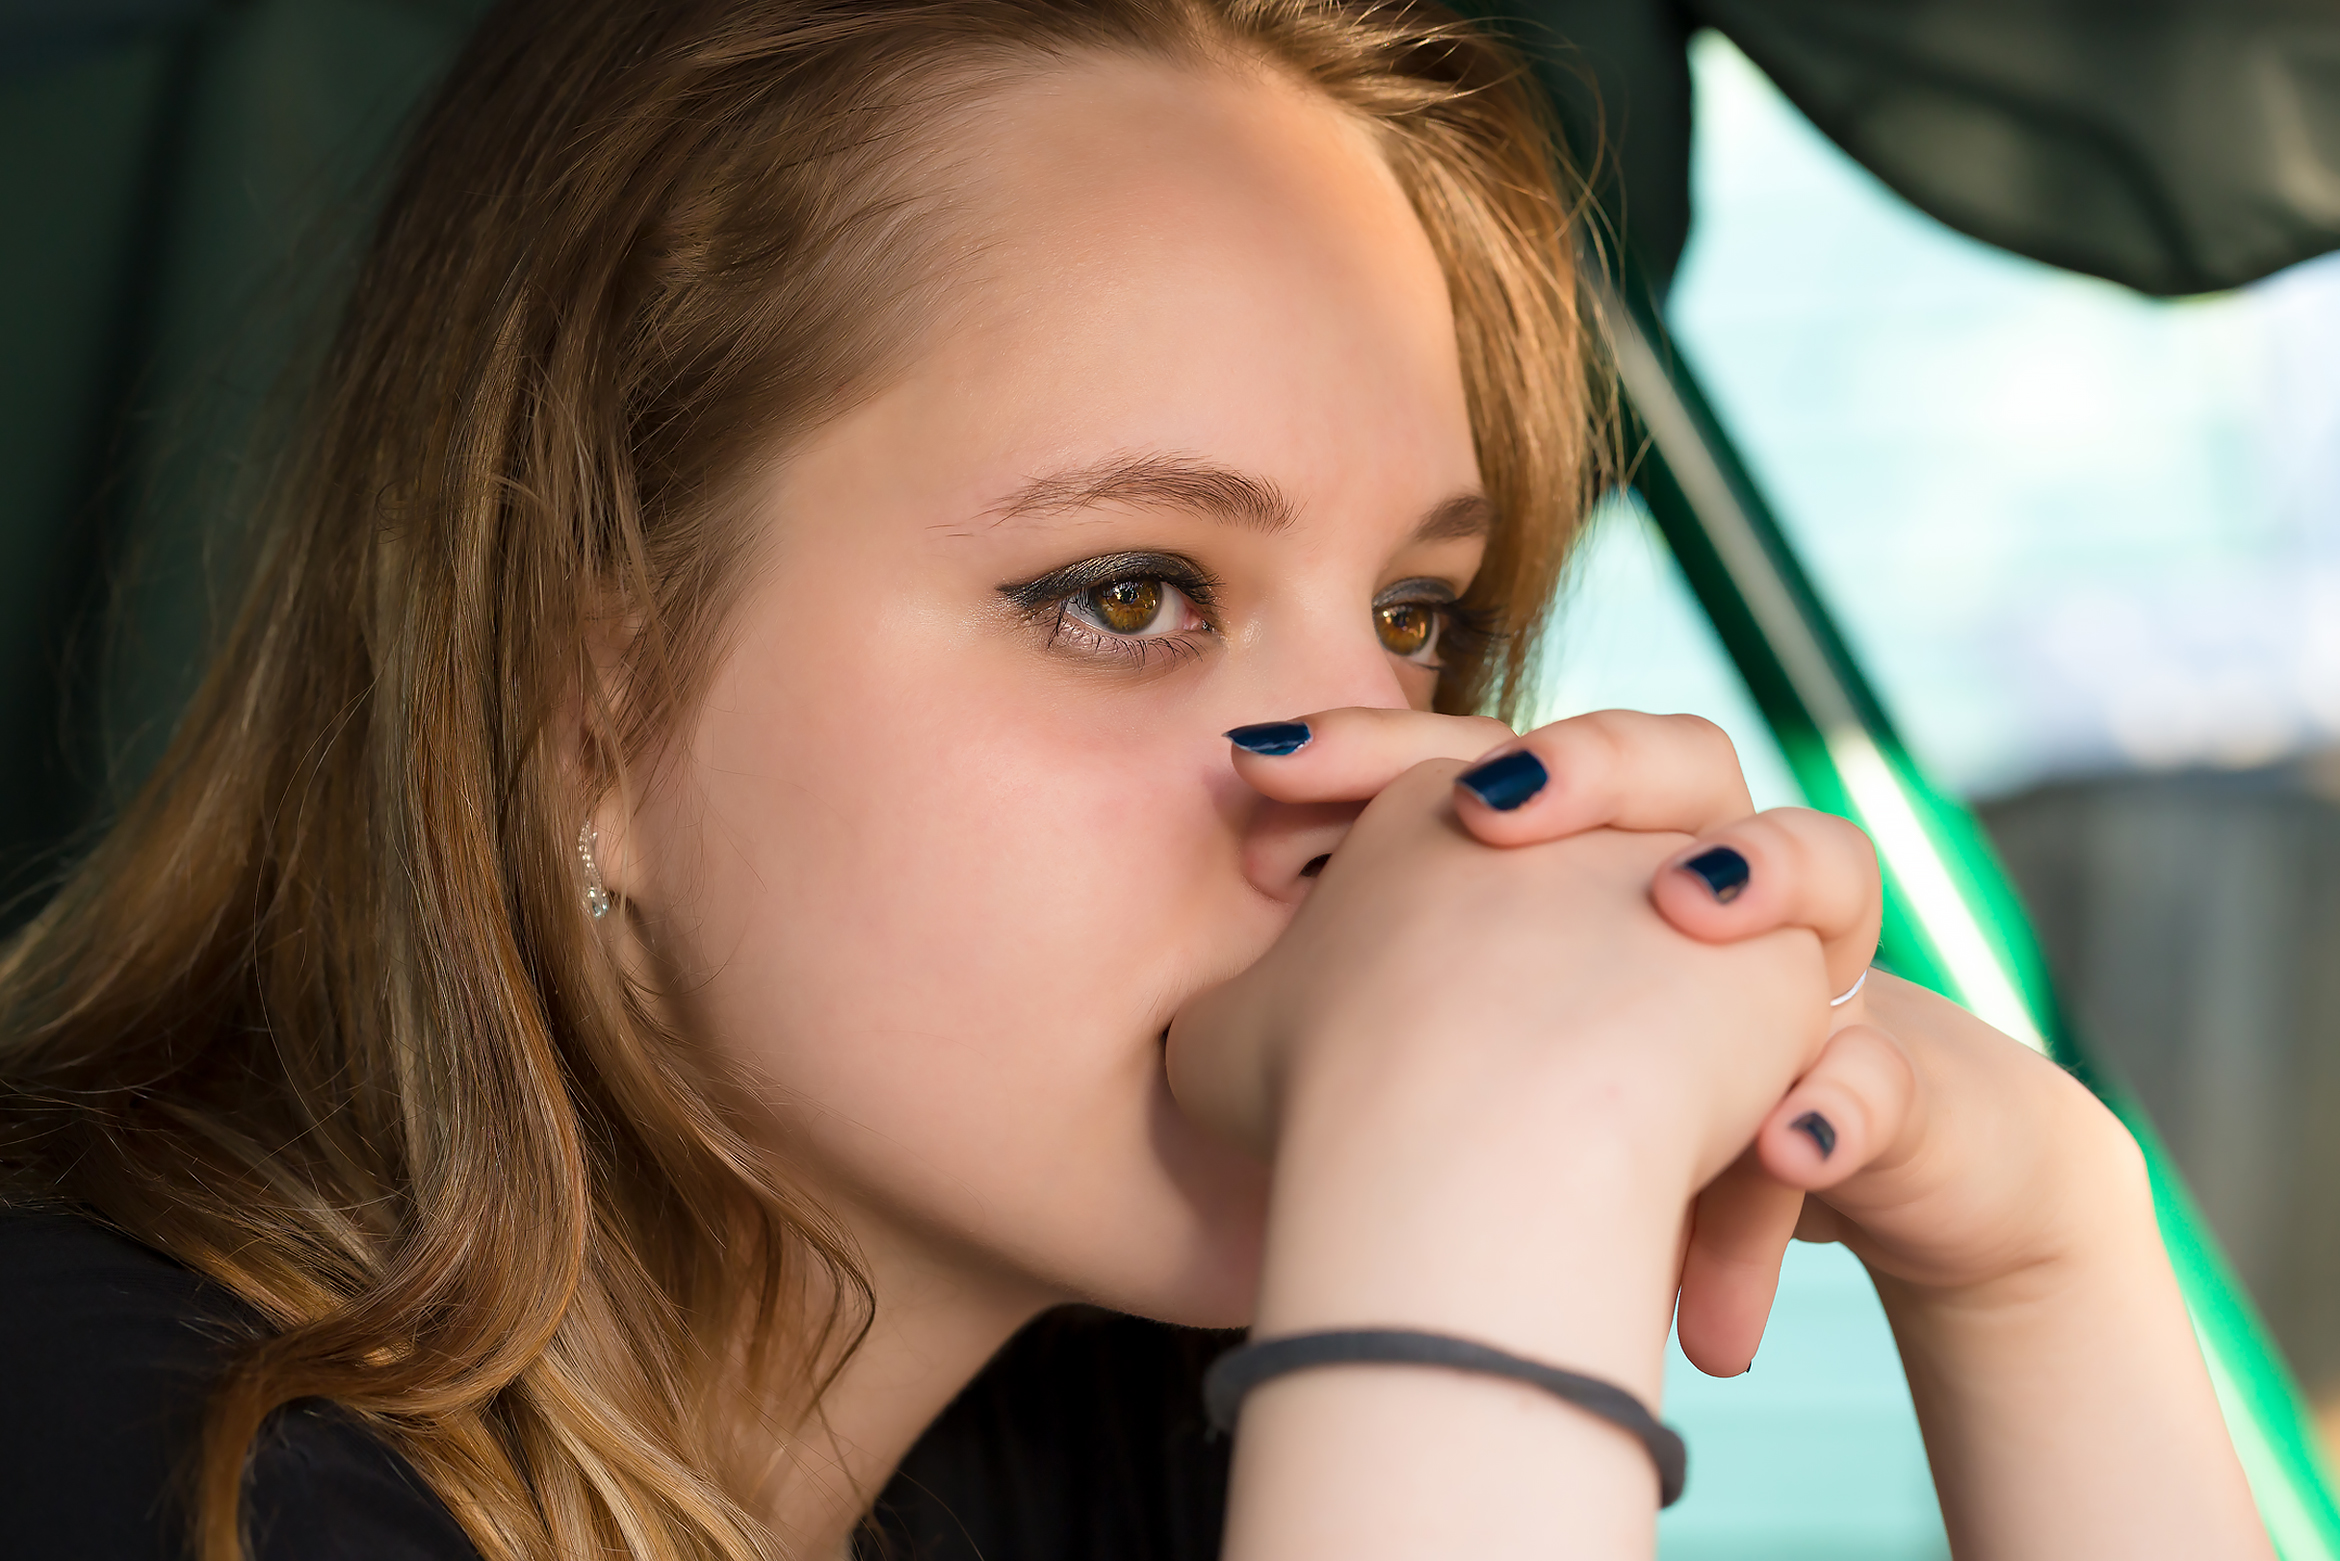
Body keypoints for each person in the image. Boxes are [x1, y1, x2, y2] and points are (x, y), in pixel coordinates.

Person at [0, 2, 2266, 1558]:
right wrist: (1473, 1225)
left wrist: (2043, 1258)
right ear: (586, 709)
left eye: (1418, 622)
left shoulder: (1091, 1448)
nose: (1378, 783)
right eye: (1125, 594)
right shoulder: (108, 1453)